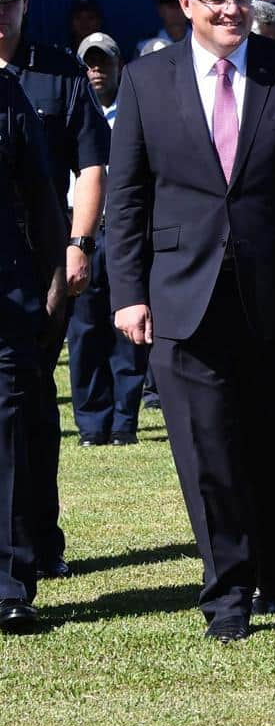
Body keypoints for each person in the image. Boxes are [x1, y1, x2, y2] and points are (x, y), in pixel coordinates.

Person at [105, 0, 275, 640]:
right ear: (185, 5)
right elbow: (126, 200)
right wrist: (127, 292)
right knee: (206, 448)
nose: (231, 8)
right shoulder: (144, 80)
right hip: (183, 297)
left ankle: (270, 565)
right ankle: (226, 593)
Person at [0, 0, 111, 583]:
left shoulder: (57, 73)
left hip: (41, 268)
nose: (3, 19)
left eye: (10, 6)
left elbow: (90, 164)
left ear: (25, 4)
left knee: (32, 408)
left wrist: (78, 245)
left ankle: (40, 537)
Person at [0, 0, 74, 634]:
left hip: (6, 296)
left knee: (13, 432)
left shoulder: (13, 95)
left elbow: (44, 198)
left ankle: (10, 582)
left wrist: (57, 269)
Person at [66, 32, 148, 448]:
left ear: (119, 66)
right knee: (83, 331)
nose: (96, 70)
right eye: (90, 63)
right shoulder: (69, 110)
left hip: (123, 229)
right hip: (80, 232)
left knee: (127, 325)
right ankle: (91, 424)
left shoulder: (135, 110)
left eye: (104, 62)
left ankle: (123, 421)